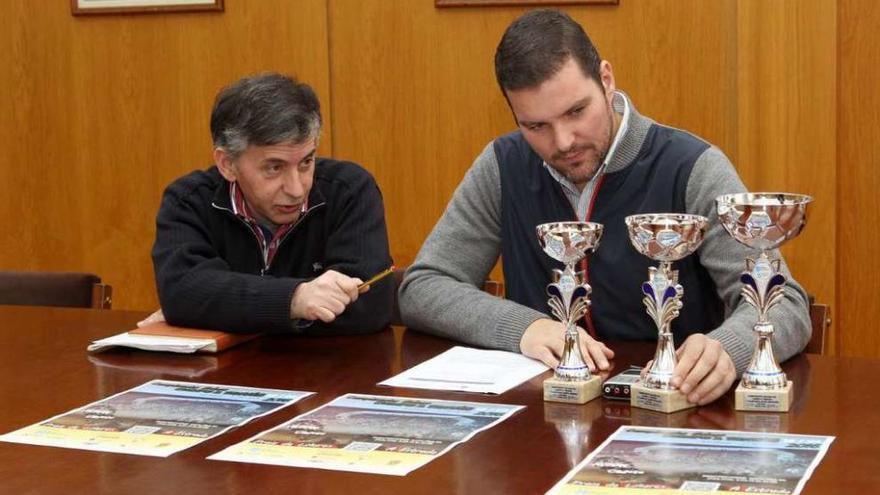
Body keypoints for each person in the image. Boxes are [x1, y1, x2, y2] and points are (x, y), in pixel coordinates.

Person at [399, 9, 811, 405]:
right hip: (538, 425)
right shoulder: (503, 165)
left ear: (607, 80)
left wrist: (729, 348)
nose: (563, 142)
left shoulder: (690, 165)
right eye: (536, 126)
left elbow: (788, 306)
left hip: (676, 415)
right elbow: (424, 287)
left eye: (577, 111)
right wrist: (524, 328)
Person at [150, 73, 393, 335]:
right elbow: (183, 293)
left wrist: (221, 309)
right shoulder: (188, 199)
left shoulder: (349, 190)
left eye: (306, 163)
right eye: (274, 168)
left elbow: (370, 306)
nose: (296, 189)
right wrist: (295, 299)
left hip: (325, 370)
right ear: (227, 164)